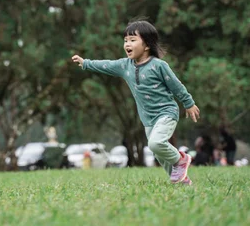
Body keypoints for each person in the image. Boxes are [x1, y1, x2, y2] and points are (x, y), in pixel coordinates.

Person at [72, 19, 200, 185]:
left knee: (155, 144)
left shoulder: (159, 66)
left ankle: (180, 160)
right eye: (126, 40)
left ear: (146, 45)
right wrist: (86, 63)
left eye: (133, 40)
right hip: (148, 118)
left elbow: (176, 86)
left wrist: (188, 103)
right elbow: (106, 65)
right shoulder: (125, 66)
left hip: (166, 113)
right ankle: (181, 180)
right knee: (159, 153)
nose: (127, 44)